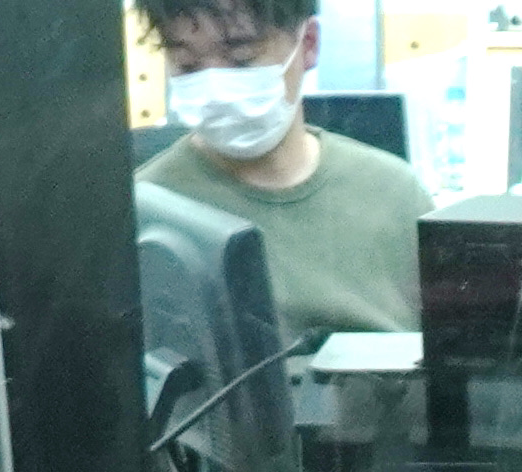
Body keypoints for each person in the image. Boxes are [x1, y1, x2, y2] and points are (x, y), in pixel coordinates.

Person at [137, 2, 432, 347]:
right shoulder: (146, 213)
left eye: (242, 59)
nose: (215, 90)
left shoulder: (396, 195)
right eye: (187, 65)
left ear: (308, 44)